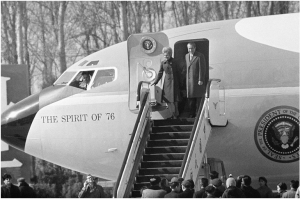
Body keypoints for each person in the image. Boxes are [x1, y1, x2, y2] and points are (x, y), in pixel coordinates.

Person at [152, 47, 181, 119]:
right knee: (168, 100)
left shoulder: (175, 62)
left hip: (175, 83)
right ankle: (173, 114)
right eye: (164, 55)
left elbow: (180, 73)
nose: (166, 57)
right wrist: (155, 82)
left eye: (167, 55)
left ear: (171, 54)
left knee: (175, 100)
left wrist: (181, 83)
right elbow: (160, 73)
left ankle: (176, 114)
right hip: (167, 83)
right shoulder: (163, 63)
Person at [185, 42, 206, 118]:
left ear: (195, 48)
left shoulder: (200, 56)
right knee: (190, 98)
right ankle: (192, 114)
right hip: (189, 81)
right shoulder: (186, 56)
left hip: (197, 81)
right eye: (189, 48)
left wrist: (200, 79)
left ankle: (199, 113)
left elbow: (202, 69)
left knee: (198, 98)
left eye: (191, 48)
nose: (190, 50)